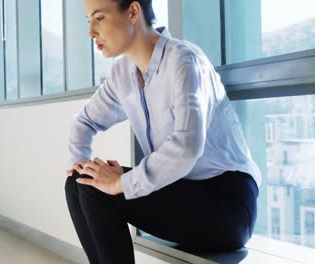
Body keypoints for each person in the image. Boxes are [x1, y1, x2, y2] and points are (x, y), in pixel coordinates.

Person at [64, 0, 262, 263]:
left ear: (133, 12)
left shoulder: (184, 60)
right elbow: (84, 122)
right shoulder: (123, 73)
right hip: (182, 194)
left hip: (227, 204)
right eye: (88, 20)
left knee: (94, 188)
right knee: (80, 180)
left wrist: (121, 182)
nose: (91, 32)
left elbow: (187, 146)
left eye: (99, 18)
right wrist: (81, 162)